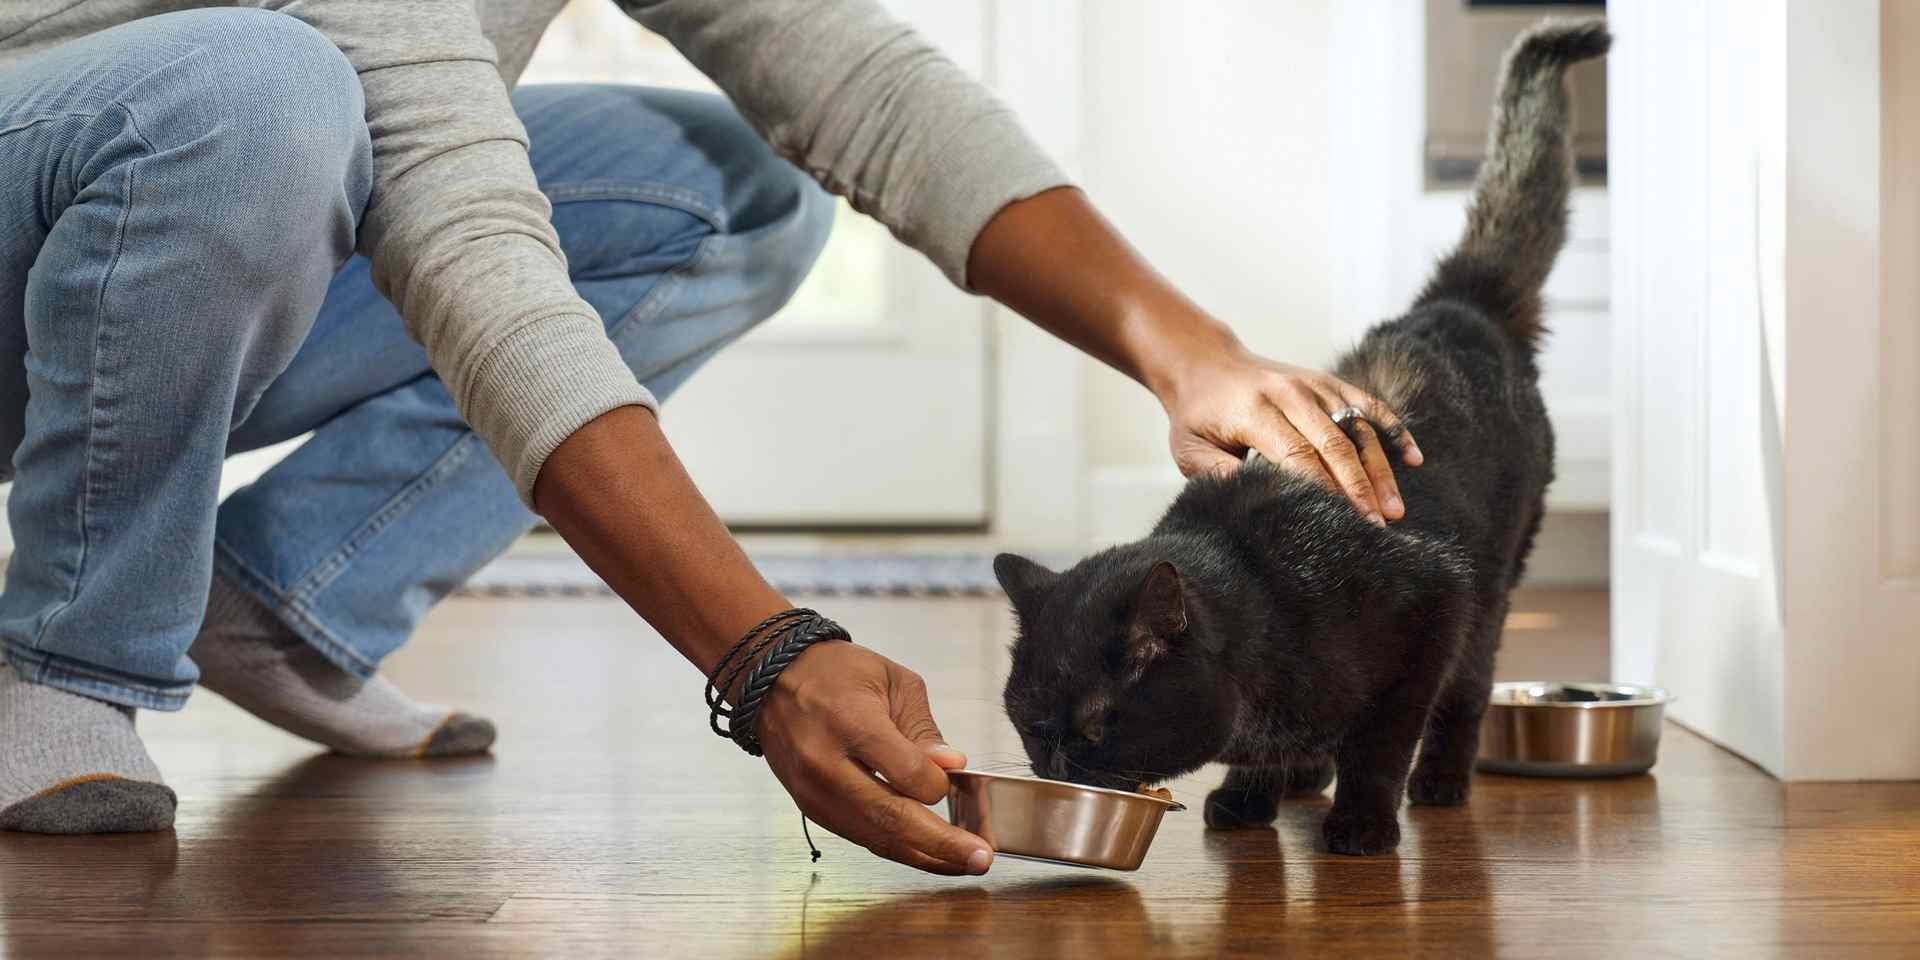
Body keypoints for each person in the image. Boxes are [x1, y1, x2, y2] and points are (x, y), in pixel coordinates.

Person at [0, 1, 1418, 874]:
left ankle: (290, 605)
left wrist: (1188, 355)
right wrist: (764, 652)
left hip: (216, 197)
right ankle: (70, 657)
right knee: (260, 93)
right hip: (61, 195)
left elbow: (860, 87)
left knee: (737, 191)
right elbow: (459, 226)